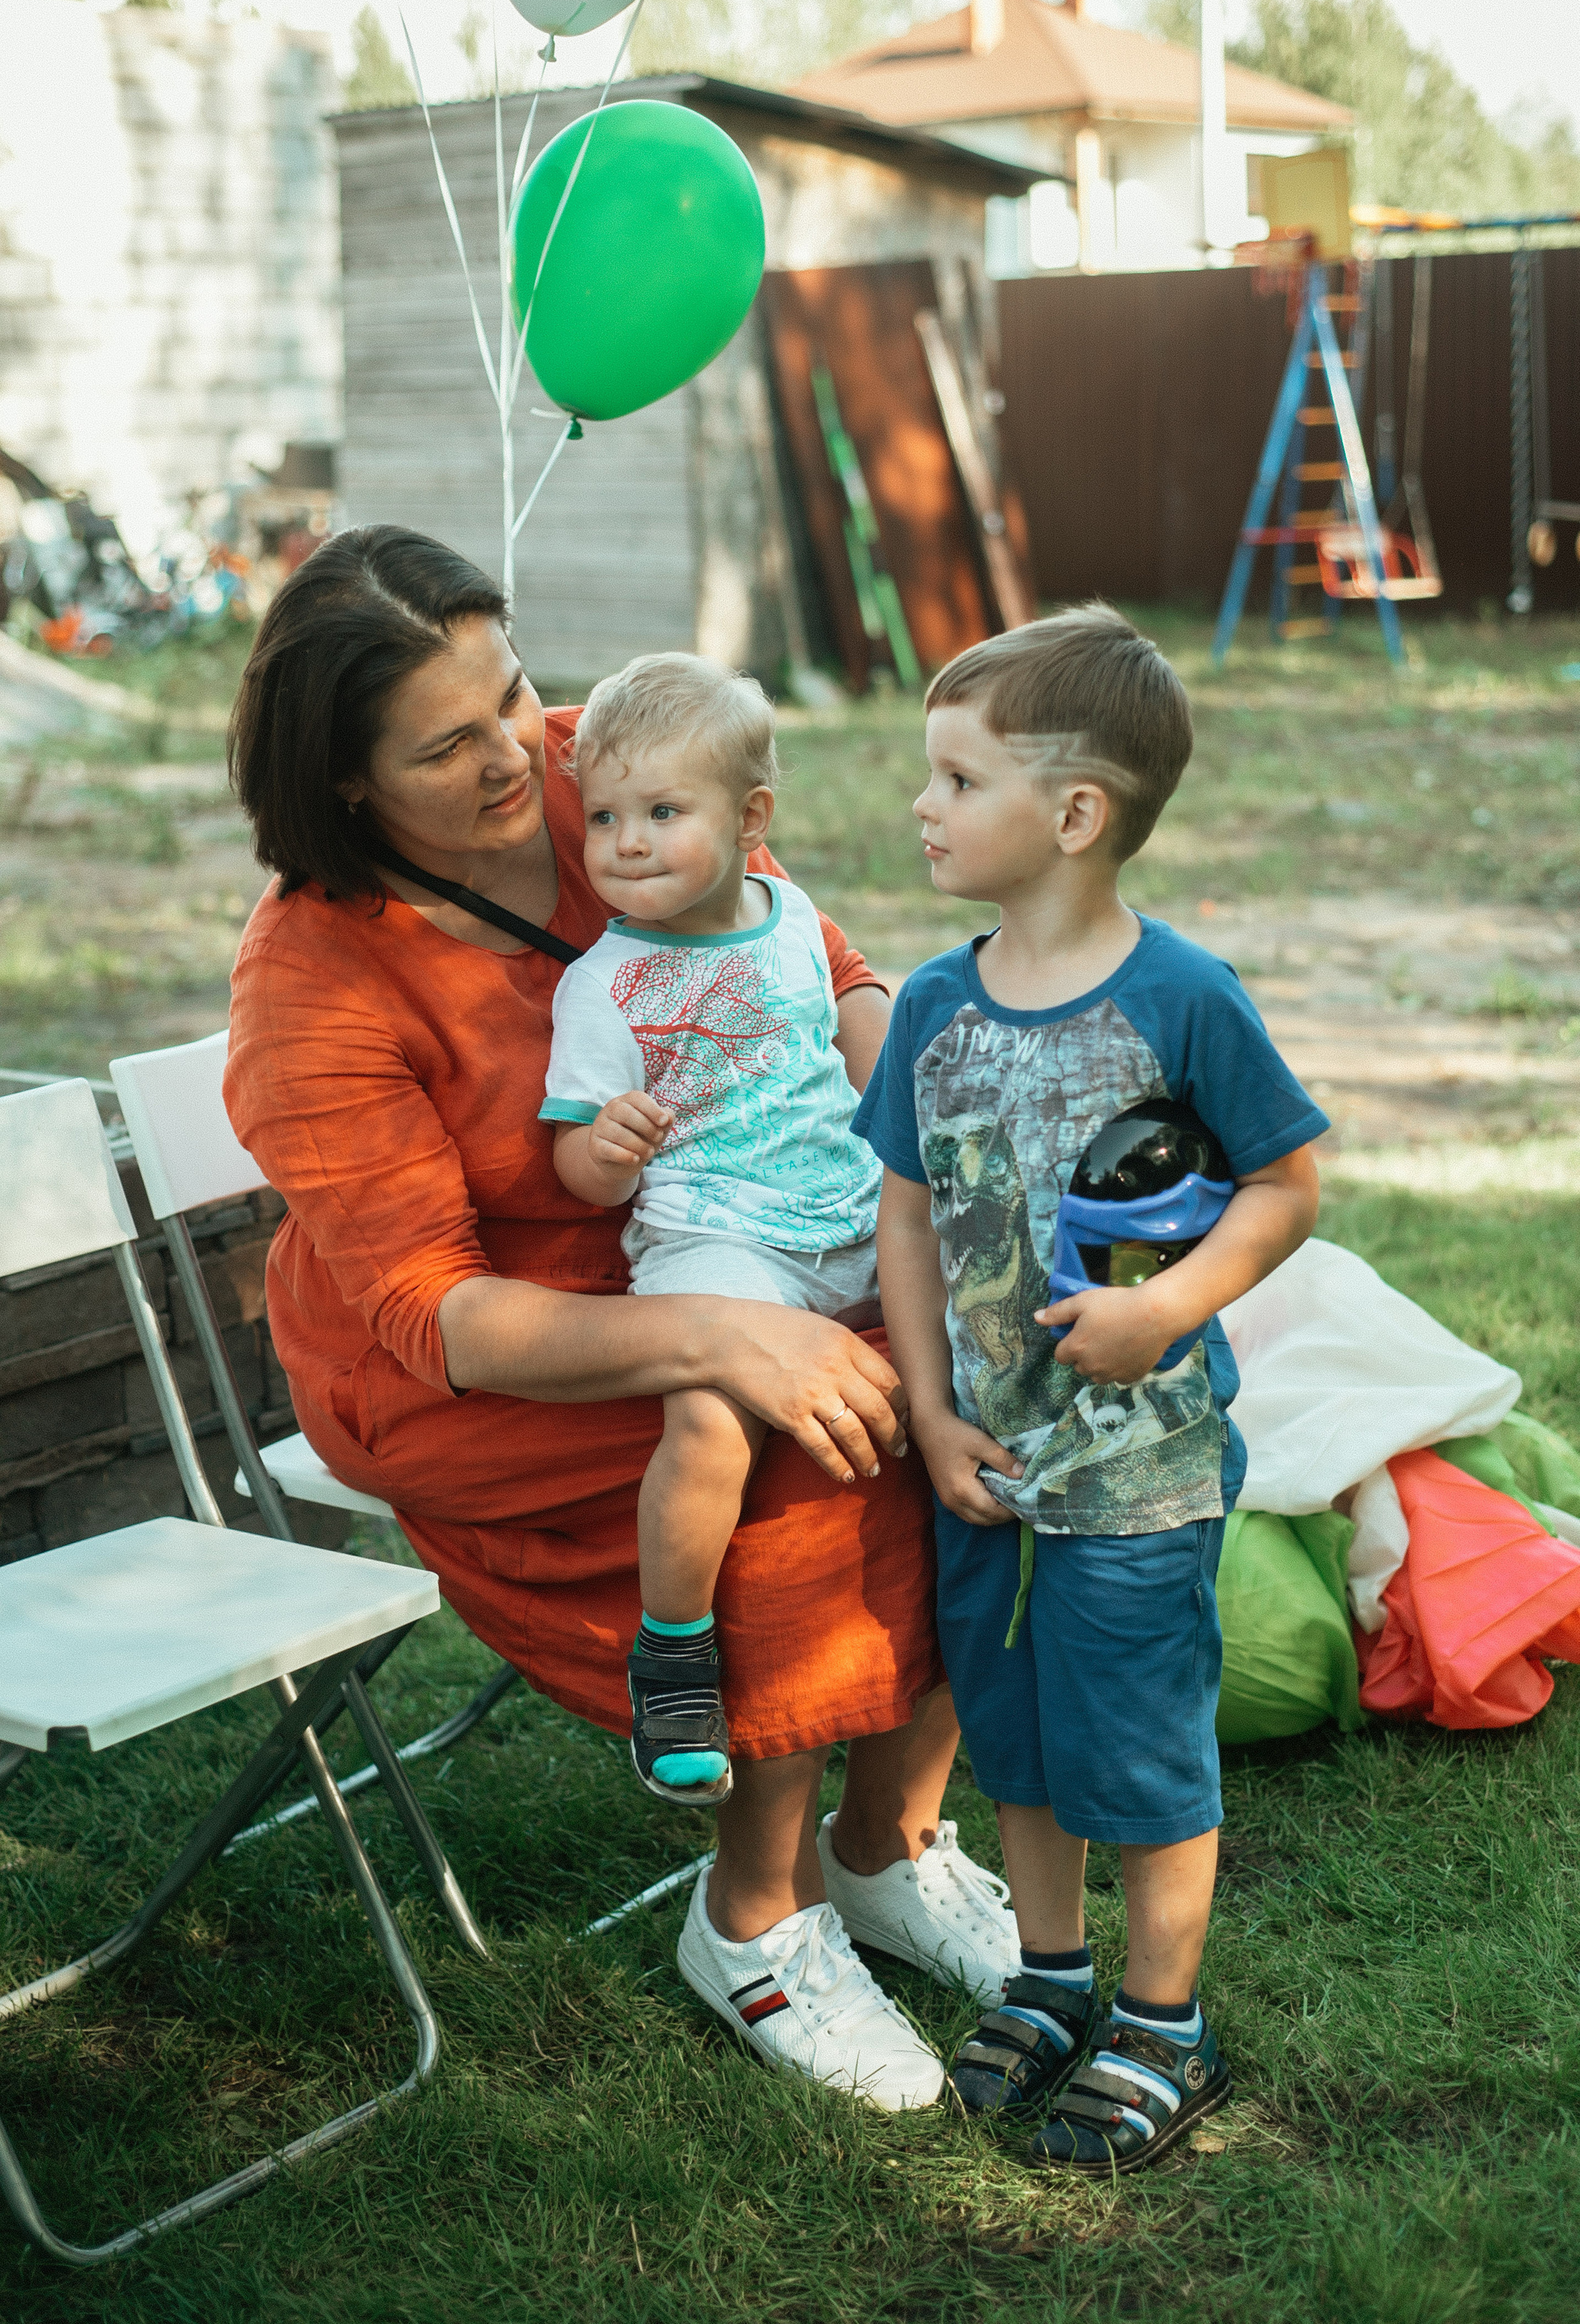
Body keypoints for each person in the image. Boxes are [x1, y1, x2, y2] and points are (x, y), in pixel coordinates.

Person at [222, 526, 1020, 2114]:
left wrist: (928, 1147)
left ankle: (883, 1845)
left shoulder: (621, 758)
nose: (522, 750)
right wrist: (735, 1340)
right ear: (347, 787)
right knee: (805, 1453)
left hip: (737, 1229)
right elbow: (434, 1317)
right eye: (448, 747)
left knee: (976, 1376)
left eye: (511, 691)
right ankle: (752, 1922)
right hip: (479, 1358)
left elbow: (829, 972)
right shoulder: (313, 985)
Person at [855, 604, 1328, 2172]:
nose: (919, 805)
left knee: (1135, 1742)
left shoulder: (1180, 998)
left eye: (953, 776)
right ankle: (1052, 1979)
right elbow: (906, 1216)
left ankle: (1160, 2023)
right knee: (1023, 1731)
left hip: (1138, 1473)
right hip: (985, 1466)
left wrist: (1173, 1306)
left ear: (1072, 815)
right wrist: (926, 1413)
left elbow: (1284, 1183)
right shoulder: (929, 1007)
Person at [540, 654, 885, 1812]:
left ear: (753, 824)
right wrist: (607, 1147)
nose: (625, 844)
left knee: (974, 1306)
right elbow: (575, 1170)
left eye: (662, 813)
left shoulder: (794, 920)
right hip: (714, 1237)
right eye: (604, 818)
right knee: (711, 1411)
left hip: (841, 1208)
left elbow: (843, 1038)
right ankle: (674, 1651)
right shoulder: (605, 986)